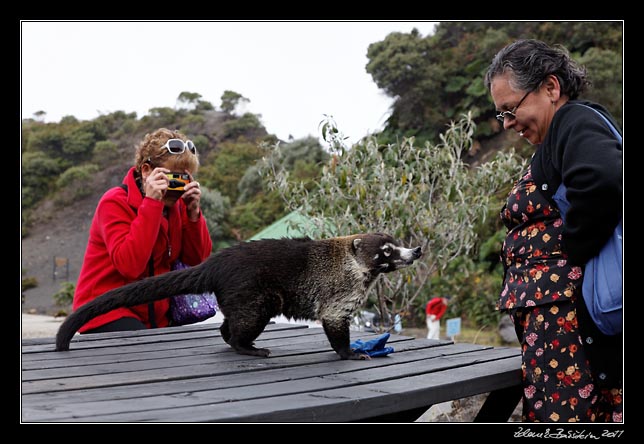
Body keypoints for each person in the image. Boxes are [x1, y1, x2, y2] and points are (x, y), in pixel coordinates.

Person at [484, 39, 622, 422]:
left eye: (511, 109)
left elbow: (602, 180)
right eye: (502, 115)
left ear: (550, 87)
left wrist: (573, 252)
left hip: (567, 330)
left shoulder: (574, 120)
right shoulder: (559, 134)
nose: (508, 123)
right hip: (556, 329)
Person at [72, 128, 213, 334]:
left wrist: (194, 214)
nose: (176, 187)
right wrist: (152, 203)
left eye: (184, 179)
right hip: (105, 309)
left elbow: (197, 259)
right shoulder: (114, 202)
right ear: (146, 171)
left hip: (154, 314)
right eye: (172, 178)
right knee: (143, 348)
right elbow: (129, 265)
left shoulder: (177, 205)